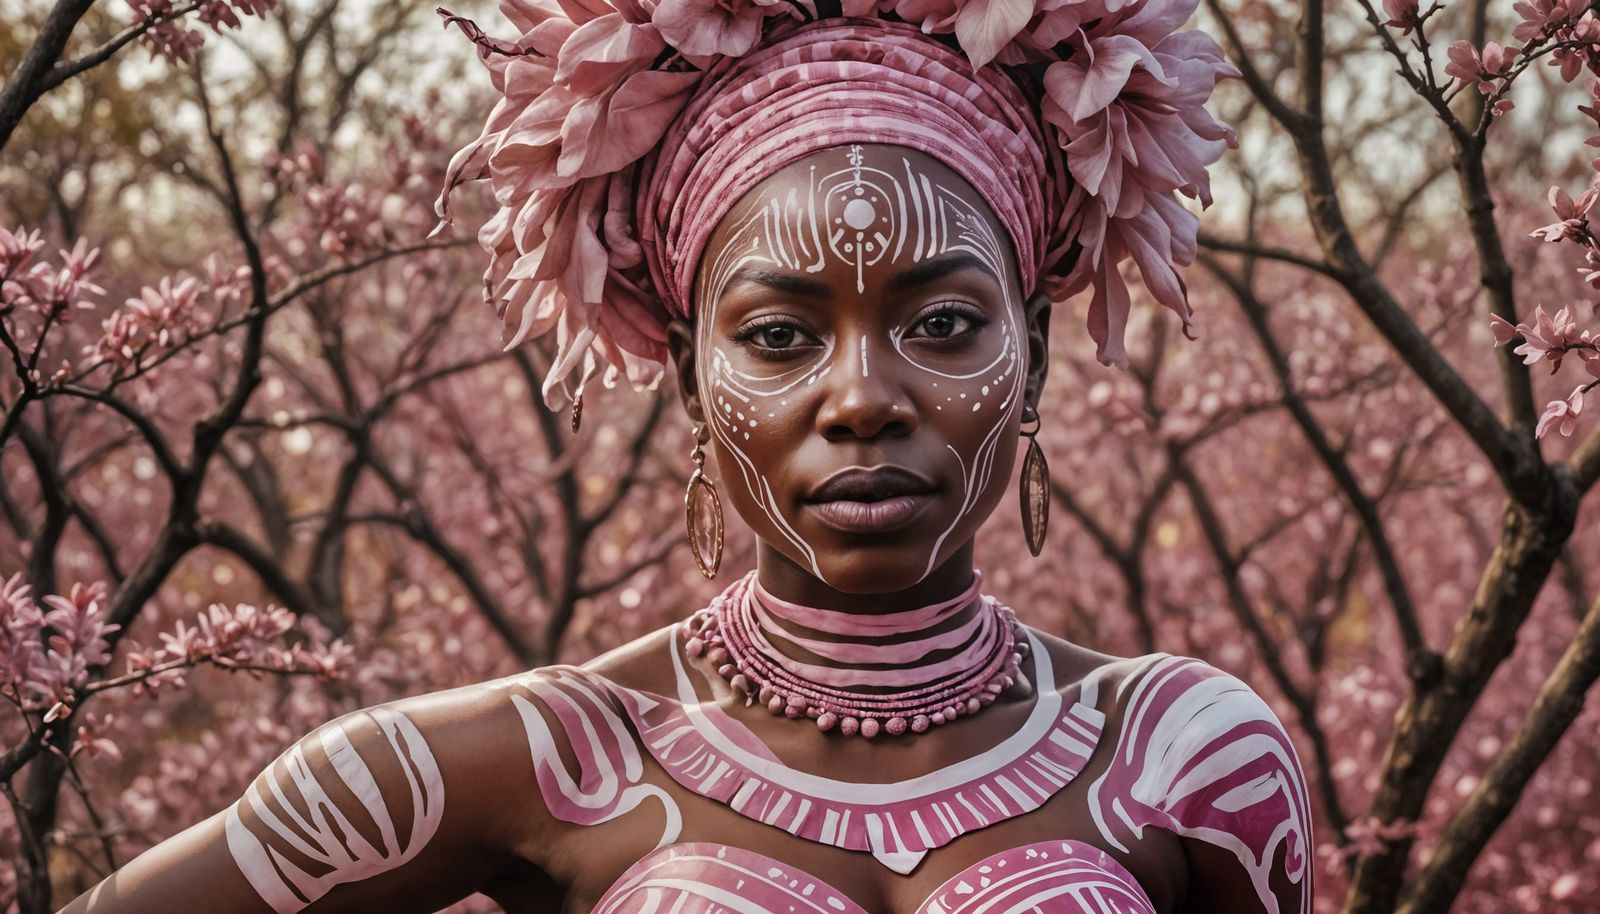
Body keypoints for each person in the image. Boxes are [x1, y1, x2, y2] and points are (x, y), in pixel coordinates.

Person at [57, 2, 1314, 913]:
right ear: (686, 371)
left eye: (941, 323)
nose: (863, 396)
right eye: (776, 335)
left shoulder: (1182, 751)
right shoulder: (549, 755)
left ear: (1031, 351)